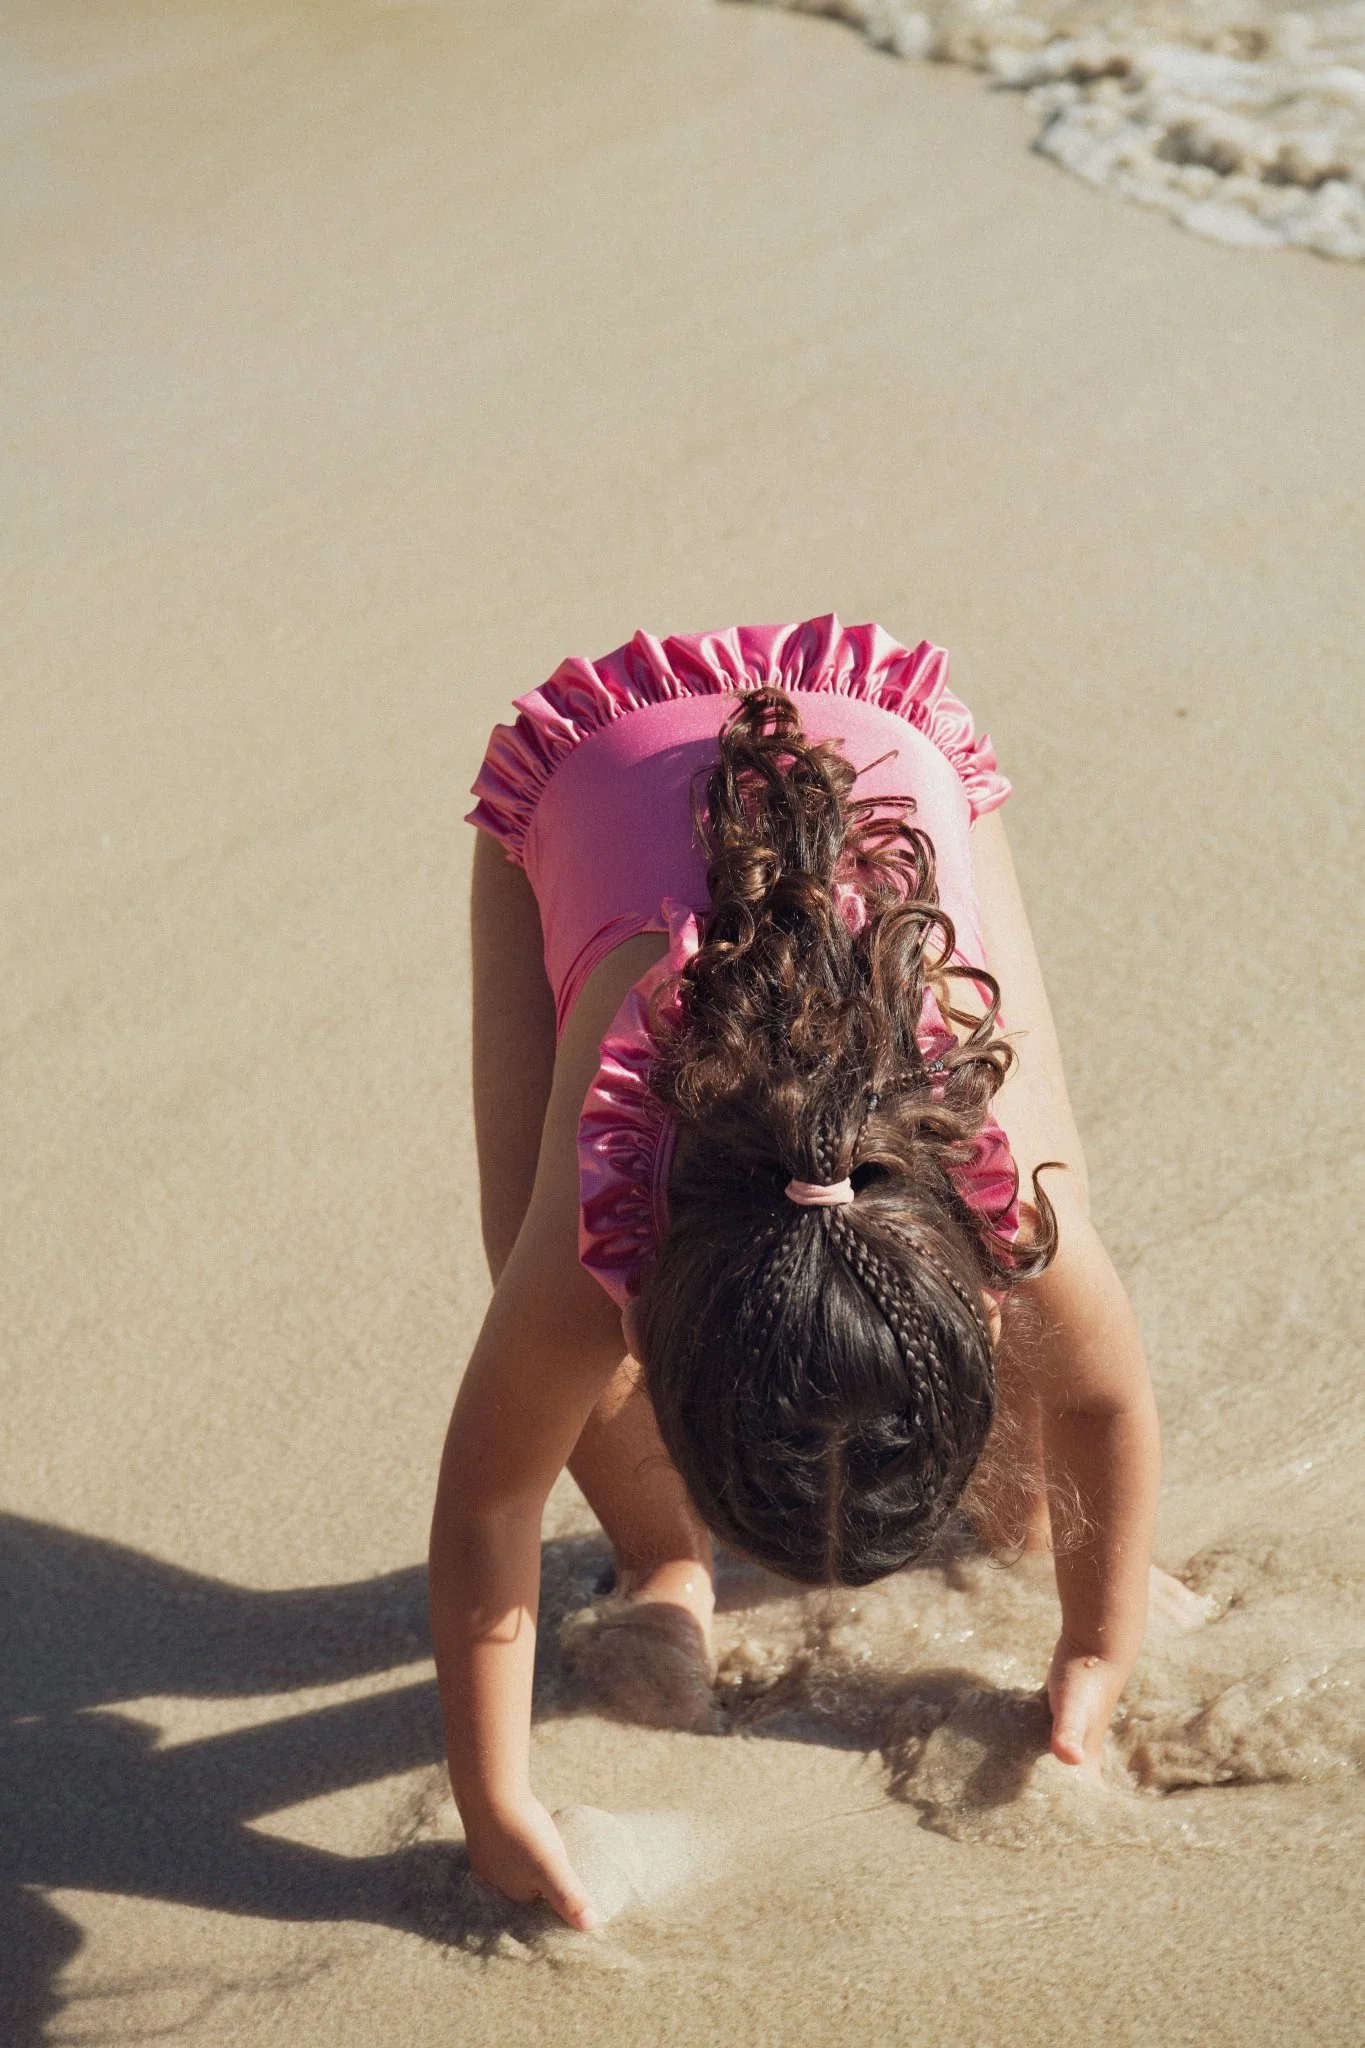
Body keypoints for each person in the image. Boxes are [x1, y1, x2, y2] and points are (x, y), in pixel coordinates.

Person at [429, 616, 1196, 1931]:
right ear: (659, 1327)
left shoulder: (1010, 1191)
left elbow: (1098, 1402)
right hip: (592, 780)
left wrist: (1094, 1641)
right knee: (530, 1278)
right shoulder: (595, 1237)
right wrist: (498, 1809)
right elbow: (489, 1503)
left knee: (1056, 1197)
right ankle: (663, 1563)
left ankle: (1022, 1518)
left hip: (888, 766)